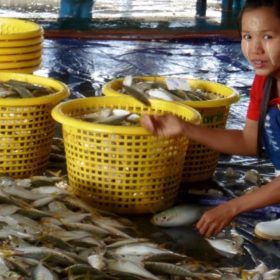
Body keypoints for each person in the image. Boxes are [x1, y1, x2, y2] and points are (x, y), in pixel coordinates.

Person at [140, 0, 280, 239]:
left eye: (267, 37)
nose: (255, 48)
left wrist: (231, 207)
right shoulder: (265, 80)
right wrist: (184, 128)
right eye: (247, 36)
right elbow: (249, 142)